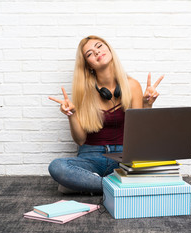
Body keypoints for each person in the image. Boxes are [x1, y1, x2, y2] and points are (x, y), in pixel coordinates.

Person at [48, 35, 163, 194]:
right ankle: (117, 186)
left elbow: (139, 134)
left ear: (109, 49)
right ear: (88, 65)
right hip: (91, 156)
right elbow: (80, 140)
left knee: (160, 168)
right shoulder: (84, 92)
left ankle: (88, 184)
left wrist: (147, 104)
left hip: (124, 156)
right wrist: (72, 115)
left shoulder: (132, 85)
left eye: (99, 46)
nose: (96, 52)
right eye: (89, 53)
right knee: (58, 167)